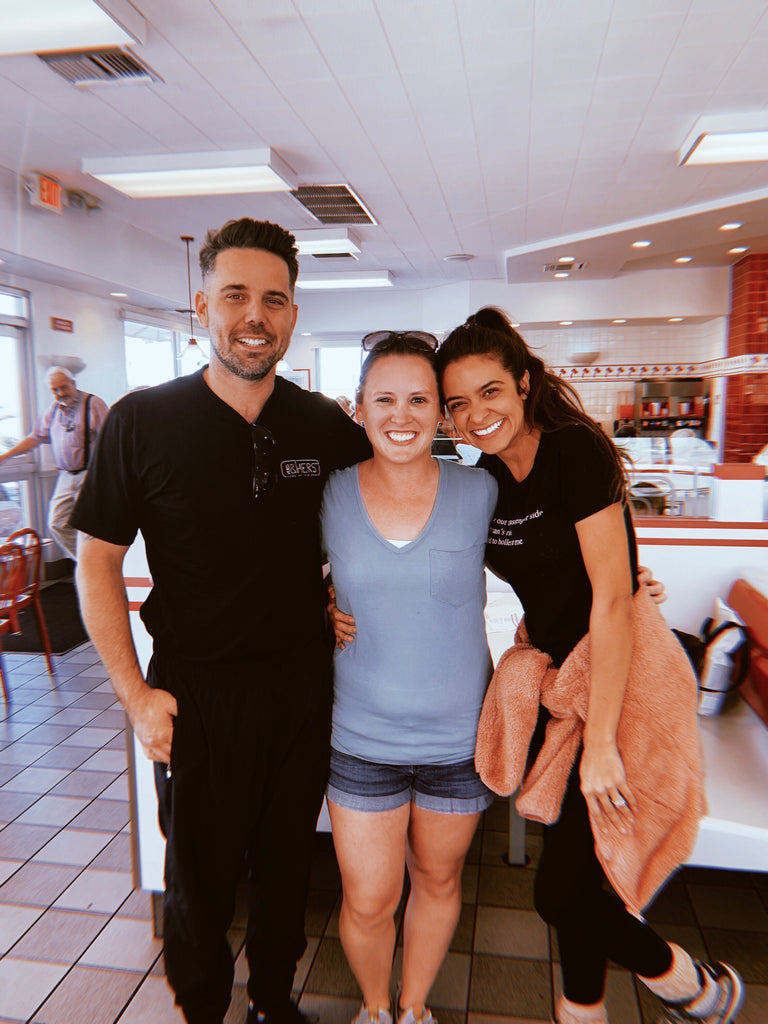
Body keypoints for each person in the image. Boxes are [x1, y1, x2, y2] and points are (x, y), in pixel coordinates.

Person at [71, 218, 371, 1024]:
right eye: (235, 294)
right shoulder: (142, 421)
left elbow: (398, 508)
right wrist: (136, 696)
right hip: (195, 696)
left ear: (293, 316)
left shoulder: (324, 428)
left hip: (303, 687)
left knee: (285, 865)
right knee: (198, 880)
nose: (255, 315)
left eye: (274, 299)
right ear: (201, 304)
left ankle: (275, 1000)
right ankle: (201, 1009)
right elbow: (94, 560)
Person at [433, 307, 743, 1024]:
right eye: (458, 403)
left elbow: (609, 600)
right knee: (582, 877)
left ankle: (690, 985)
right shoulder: (487, 486)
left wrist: (601, 743)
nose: (475, 413)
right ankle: (592, 1011)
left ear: (523, 383)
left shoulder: (575, 450)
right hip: (564, 686)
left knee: (560, 892)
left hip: (623, 680)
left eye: (489, 392)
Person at [320, 332, 498, 1024]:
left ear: (442, 412)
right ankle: (373, 1007)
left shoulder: (481, 489)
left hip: (459, 742)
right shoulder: (330, 494)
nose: (402, 415)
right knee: (368, 898)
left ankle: (415, 1007)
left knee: (439, 877)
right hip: (361, 738)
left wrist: (630, 580)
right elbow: (264, 569)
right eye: (385, 398)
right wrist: (317, 607)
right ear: (359, 409)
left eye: (419, 399)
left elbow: (554, 562)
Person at [0, 366, 108, 560]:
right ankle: (88, 563)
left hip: (90, 474)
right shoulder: (53, 410)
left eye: (64, 388)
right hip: (65, 477)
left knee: (91, 527)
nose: (60, 394)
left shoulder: (93, 404)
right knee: (57, 523)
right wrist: (5, 456)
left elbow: (111, 439)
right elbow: (34, 438)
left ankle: (96, 568)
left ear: (73, 384)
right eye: (55, 390)